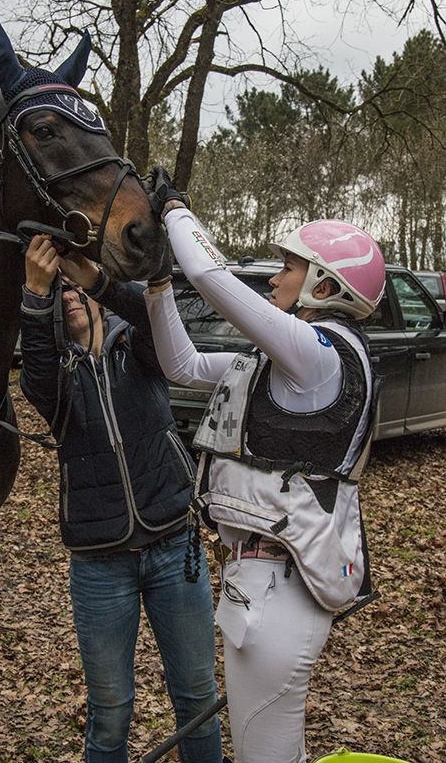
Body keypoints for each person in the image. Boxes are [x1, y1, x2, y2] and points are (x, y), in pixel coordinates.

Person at [141, 169, 386, 763]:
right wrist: (155, 284)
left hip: (279, 592)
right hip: (261, 586)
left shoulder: (321, 358)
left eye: (290, 268)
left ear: (325, 286)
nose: (277, 277)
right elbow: (182, 364)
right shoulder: (289, 364)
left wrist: (175, 210)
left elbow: (210, 274)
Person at [19, 234, 222, 763]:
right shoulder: (55, 381)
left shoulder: (142, 349)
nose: (68, 295)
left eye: (73, 288)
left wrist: (97, 277)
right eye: (60, 292)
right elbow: (35, 361)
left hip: (175, 549)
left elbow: (152, 309)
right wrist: (36, 291)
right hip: (99, 562)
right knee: (110, 707)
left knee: (198, 696)